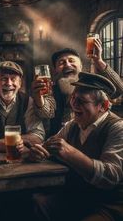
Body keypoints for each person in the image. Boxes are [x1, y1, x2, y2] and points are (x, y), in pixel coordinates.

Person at [28, 72, 123, 221]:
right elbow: (49, 146)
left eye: (82, 101)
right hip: (80, 198)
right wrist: (38, 151)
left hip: (109, 204)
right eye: (73, 98)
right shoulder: (73, 125)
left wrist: (70, 153)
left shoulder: (117, 128)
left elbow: (110, 177)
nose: (73, 105)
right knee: (37, 202)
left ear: (103, 106)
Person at [32, 38, 123, 138]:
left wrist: (99, 61)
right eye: (61, 63)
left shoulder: (93, 84)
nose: (67, 64)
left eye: (71, 60)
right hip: (61, 139)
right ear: (55, 71)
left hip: (93, 137)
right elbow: (47, 112)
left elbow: (118, 90)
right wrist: (38, 97)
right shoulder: (51, 88)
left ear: (81, 66)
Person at [0, 60, 45, 151]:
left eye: (13, 79)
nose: (9, 83)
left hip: (20, 158)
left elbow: (38, 136)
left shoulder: (28, 101)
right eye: (3, 79)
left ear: (20, 83)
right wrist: (14, 142)